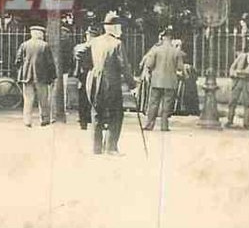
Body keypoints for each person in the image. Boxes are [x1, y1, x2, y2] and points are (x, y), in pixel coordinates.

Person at [86, 12, 136, 155]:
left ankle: (96, 148)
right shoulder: (117, 43)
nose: (121, 30)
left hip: (95, 82)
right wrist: (132, 85)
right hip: (111, 84)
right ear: (114, 27)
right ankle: (111, 148)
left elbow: (83, 55)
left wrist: (92, 71)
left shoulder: (94, 41)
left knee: (96, 113)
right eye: (119, 26)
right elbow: (124, 67)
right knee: (115, 114)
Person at [142, 27, 184, 131]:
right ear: (171, 38)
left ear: (163, 37)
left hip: (156, 81)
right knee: (167, 105)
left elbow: (149, 64)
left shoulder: (156, 49)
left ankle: (149, 125)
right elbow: (180, 67)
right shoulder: (176, 51)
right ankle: (164, 126)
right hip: (170, 82)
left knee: (153, 103)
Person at [16, 25, 57, 128]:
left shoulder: (24, 45)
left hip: (27, 76)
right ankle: (44, 119)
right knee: (43, 99)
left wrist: (22, 70)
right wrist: (53, 76)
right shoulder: (44, 46)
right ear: (41, 34)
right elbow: (50, 63)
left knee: (28, 99)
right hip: (41, 77)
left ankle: (27, 121)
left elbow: (17, 60)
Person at [225, 40, 249, 128]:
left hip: (248, 82)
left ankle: (246, 123)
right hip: (238, 81)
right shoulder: (241, 57)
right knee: (232, 101)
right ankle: (229, 120)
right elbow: (232, 68)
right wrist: (235, 73)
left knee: (247, 103)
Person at [72, 25, 98, 130]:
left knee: (84, 98)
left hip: (83, 75)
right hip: (90, 74)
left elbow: (74, 60)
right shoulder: (93, 46)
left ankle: (83, 121)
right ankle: (88, 120)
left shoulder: (79, 47)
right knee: (93, 98)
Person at [172, 39, 200, 116]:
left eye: (180, 46)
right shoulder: (175, 54)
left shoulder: (182, 55)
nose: (179, 48)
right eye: (177, 46)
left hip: (181, 77)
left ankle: (180, 108)